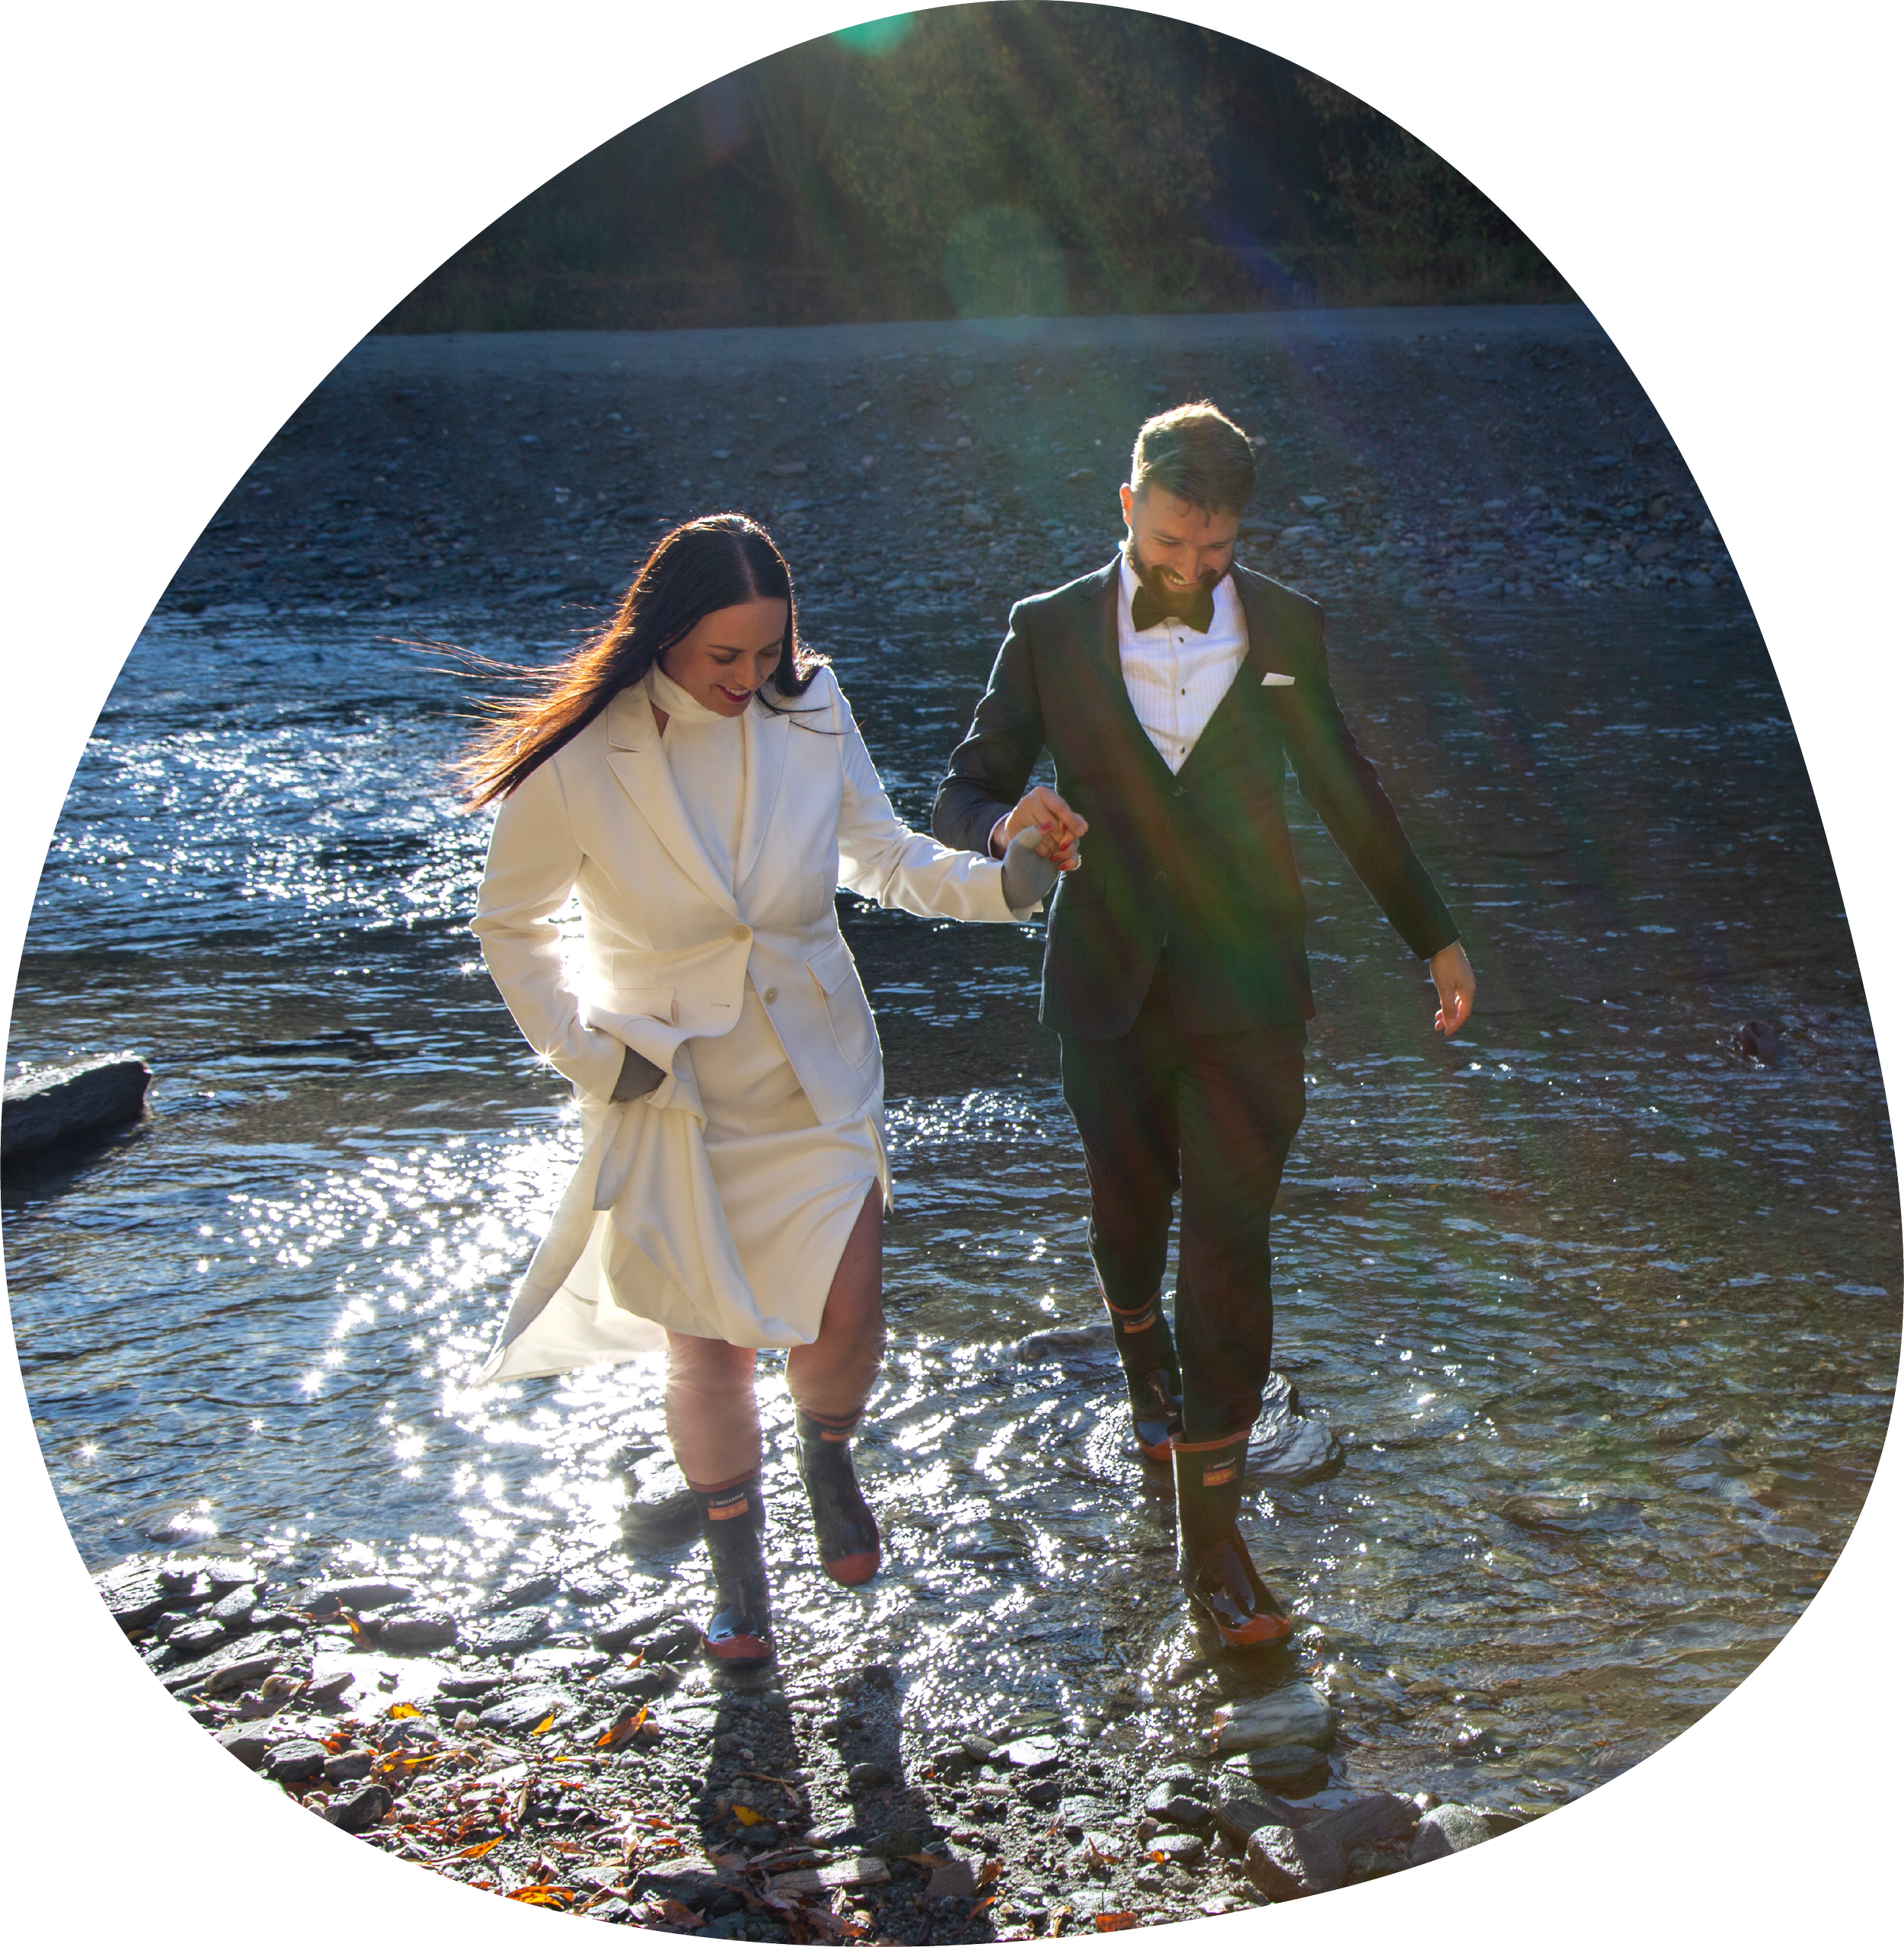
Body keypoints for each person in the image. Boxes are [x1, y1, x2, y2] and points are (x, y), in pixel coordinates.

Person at [458, 513, 1067, 1668]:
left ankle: (826, 1451)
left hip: (817, 1069)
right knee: (709, 1351)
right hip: (671, 1087)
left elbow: (882, 853)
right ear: (664, 638)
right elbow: (513, 926)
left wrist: (1013, 881)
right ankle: (737, 1566)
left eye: (766, 652)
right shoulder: (582, 758)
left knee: (850, 1305)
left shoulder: (811, 702)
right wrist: (596, 1057)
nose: (748, 680)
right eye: (722, 659)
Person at [932, 404, 1475, 1650]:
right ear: (1127, 507)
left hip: (1249, 993)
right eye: (1172, 544)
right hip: (1107, 988)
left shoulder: (1287, 629)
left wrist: (1430, 933)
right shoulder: (1048, 630)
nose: (1191, 571)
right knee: (1131, 1217)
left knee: (1230, 1241)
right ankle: (1142, 1368)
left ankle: (1215, 1545)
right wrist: (1011, 821)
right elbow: (967, 783)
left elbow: (1346, 788)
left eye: (1214, 552)